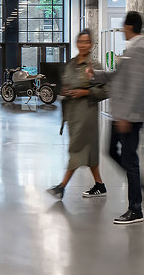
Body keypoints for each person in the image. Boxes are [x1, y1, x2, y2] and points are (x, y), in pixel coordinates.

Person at [89, 11, 144, 225]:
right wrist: (95, 76)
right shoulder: (132, 49)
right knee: (110, 151)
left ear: (129, 26)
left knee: (130, 159)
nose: (121, 30)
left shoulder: (140, 49)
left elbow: (136, 86)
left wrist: (126, 116)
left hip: (129, 116)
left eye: (122, 27)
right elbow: (118, 76)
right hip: (119, 113)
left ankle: (135, 209)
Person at [47, 29, 108, 200]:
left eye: (87, 42)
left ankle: (61, 186)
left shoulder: (94, 66)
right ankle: (99, 184)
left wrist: (85, 92)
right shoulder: (71, 65)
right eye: (80, 41)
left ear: (91, 44)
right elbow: (65, 84)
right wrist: (65, 91)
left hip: (86, 115)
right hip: (72, 115)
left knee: (76, 149)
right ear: (77, 43)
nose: (83, 45)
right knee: (88, 152)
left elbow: (105, 91)